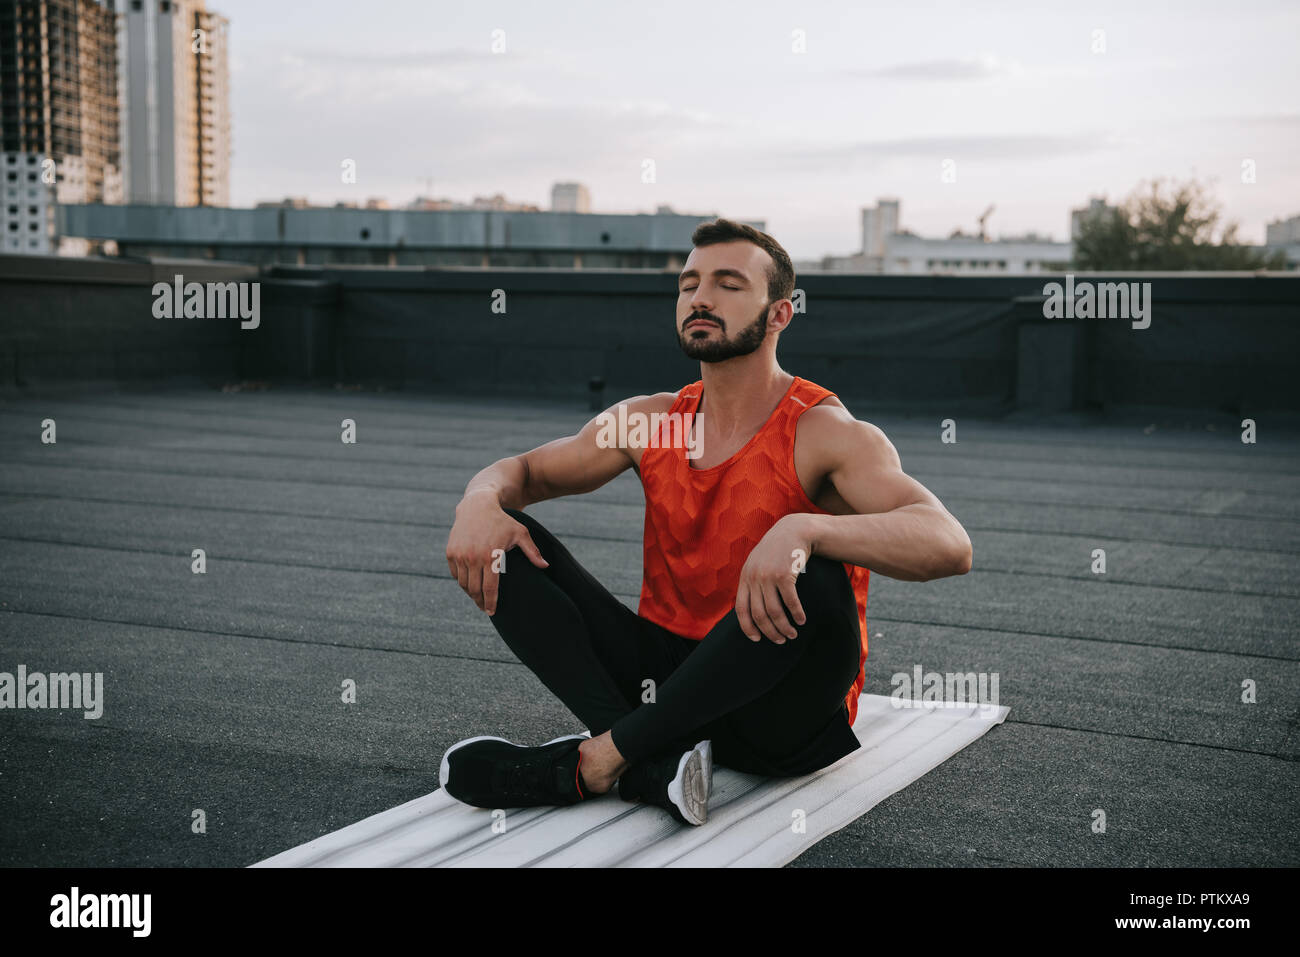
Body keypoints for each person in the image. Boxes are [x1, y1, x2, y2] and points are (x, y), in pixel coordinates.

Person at [440, 218, 972, 826]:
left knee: (813, 569)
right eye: (689, 284)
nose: (700, 298)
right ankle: (648, 766)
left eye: (727, 284)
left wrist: (805, 529)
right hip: (665, 686)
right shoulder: (655, 422)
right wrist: (479, 501)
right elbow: (526, 473)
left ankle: (591, 764)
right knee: (504, 544)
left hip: (780, 713)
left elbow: (949, 544)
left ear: (779, 315)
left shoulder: (822, 432)